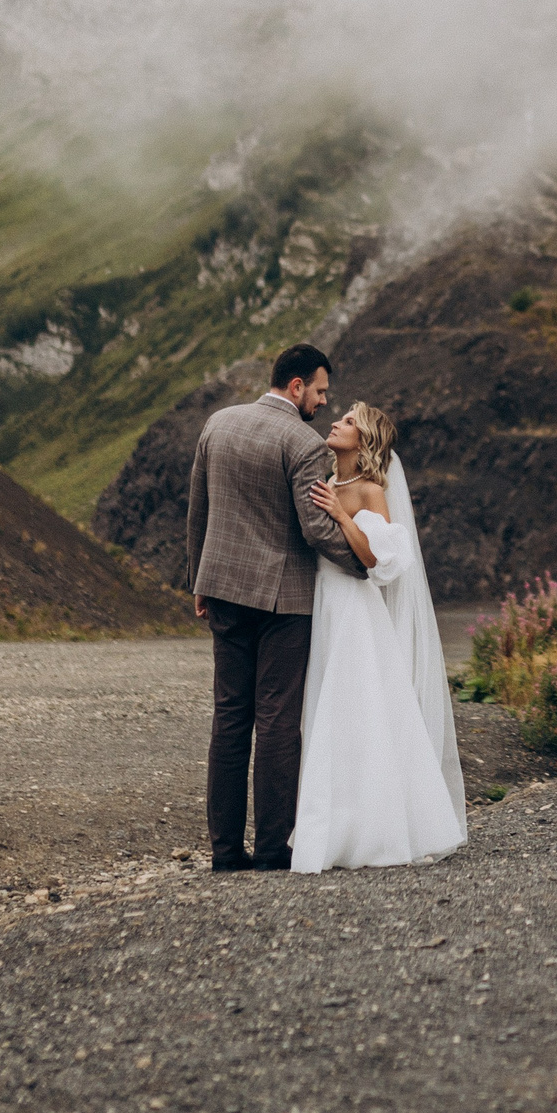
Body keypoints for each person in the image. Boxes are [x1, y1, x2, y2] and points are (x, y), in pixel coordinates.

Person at [184, 342, 365, 872]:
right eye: (320, 392)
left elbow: (199, 509)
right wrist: (367, 563)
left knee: (229, 719)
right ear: (296, 386)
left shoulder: (218, 424)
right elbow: (315, 530)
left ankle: (224, 853)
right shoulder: (303, 443)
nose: (324, 403)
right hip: (283, 601)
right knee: (278, 723)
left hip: (222, 589)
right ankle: (270, 849)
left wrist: (198, 579)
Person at [289, 401, 467, 871]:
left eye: (348, 421)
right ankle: (335, 826)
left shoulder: (370, 489)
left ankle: (377, 831)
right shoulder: (326, 481)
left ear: (364, 440)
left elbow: (376, 559)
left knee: (358, 709)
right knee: (327, 708)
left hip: (354, 608)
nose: (335, 422)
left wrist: (341, 516)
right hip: (323, 603)